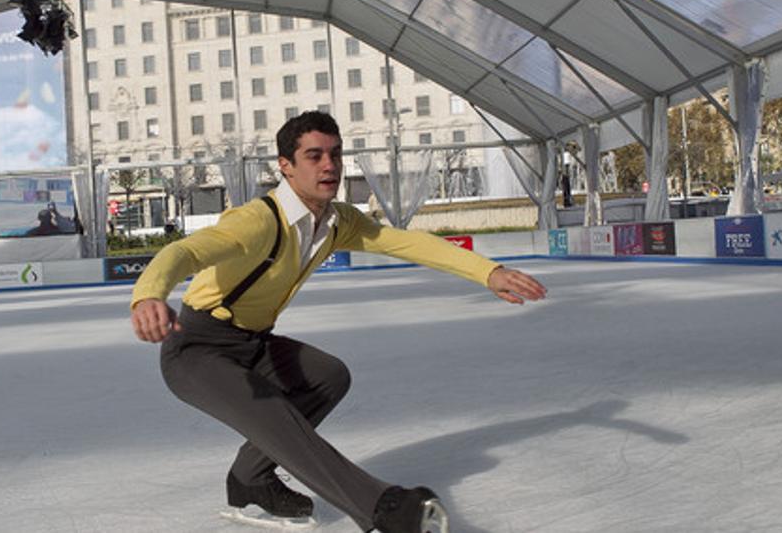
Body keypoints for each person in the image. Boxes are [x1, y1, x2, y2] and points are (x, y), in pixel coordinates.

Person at [130, 111, 547, 532]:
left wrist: (487, 272)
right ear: (286, 166)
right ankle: (381, 508)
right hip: (197, 348)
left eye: (335, 154)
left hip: (253, 343)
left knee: (328, 376)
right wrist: (149, 294)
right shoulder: (257, 221)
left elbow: (405, 242)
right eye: (314, 156)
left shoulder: (337, 222)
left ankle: (249, 478)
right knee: (273, 413)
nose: (329, 165)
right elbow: (182, 253)